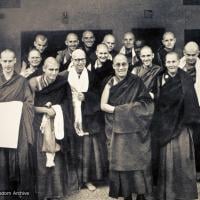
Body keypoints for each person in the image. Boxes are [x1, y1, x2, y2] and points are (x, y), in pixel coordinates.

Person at [101, 54, 154, 200]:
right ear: (113, 66)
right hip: (118, 128)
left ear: (128, 65)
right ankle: (127, 194)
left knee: (137, 161)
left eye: (123, 64)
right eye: (117, 65)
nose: (121, 67)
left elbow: (147, 104)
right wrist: (120, 112)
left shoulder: (136, 81)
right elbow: (103, 105)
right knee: (122, 162)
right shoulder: (110, 82)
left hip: (135, 128)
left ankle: (141, 194)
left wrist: (120, 110)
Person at [151, 52, 200, 200]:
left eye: (174, 61)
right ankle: (168, 193)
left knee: (183, 157)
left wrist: (188, 120)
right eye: (169, 62)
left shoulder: (186, 79)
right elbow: (157, 102)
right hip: (165, 125)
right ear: (165, 63)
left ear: (179, 62)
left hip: (182, 124)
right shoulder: (159, 79)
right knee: (167, 158)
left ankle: (184, 193)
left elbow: (192, 101)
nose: (171, 64)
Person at [29, 57, 75, 200]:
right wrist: (45, 110)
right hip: (40, 125)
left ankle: (57, 192)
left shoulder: (62, 82)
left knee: (58, 157)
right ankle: (43, 193)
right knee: (42, 158)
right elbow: (27, 106)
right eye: (50, 69)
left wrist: (57, 110)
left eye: (56, 69)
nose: (54, 73)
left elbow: (68, 103)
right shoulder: (33, 83)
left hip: (58, 125)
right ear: (44, 69)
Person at [60, 49, 106, 191]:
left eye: (82, 59)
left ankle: (87, 180)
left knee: (87, 150)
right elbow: (60, 97)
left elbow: (100, 95)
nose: (80, 62)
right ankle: (75, 181)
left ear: (86, 60)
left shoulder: (93, 76)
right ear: (72, 61)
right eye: (76, 60)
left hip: (88, 117)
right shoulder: (64, 76)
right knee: (73, 147)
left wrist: (86, 96)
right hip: (71, 115)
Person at [0, 49, 35, 199]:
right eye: (4, 61)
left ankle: (22, 194)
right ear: (0, 61)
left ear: (15, 61)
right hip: (1, 126)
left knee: (22, 159)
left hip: (18, 124)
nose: (7, 64)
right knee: (2, 160)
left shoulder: (21, 81)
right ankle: (4, 194)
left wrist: (17, 107)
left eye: (10, 61)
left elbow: (29, 102)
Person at [179, 41, 200, 180]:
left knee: (198, 140)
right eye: (188, 55)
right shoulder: (177, 65)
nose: (191, 58)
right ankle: (183, 172)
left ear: (198, 53)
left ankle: (198, 170)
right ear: (184, 53)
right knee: (183, 140)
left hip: (198, 108)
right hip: (181, 109)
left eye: (194, 55)